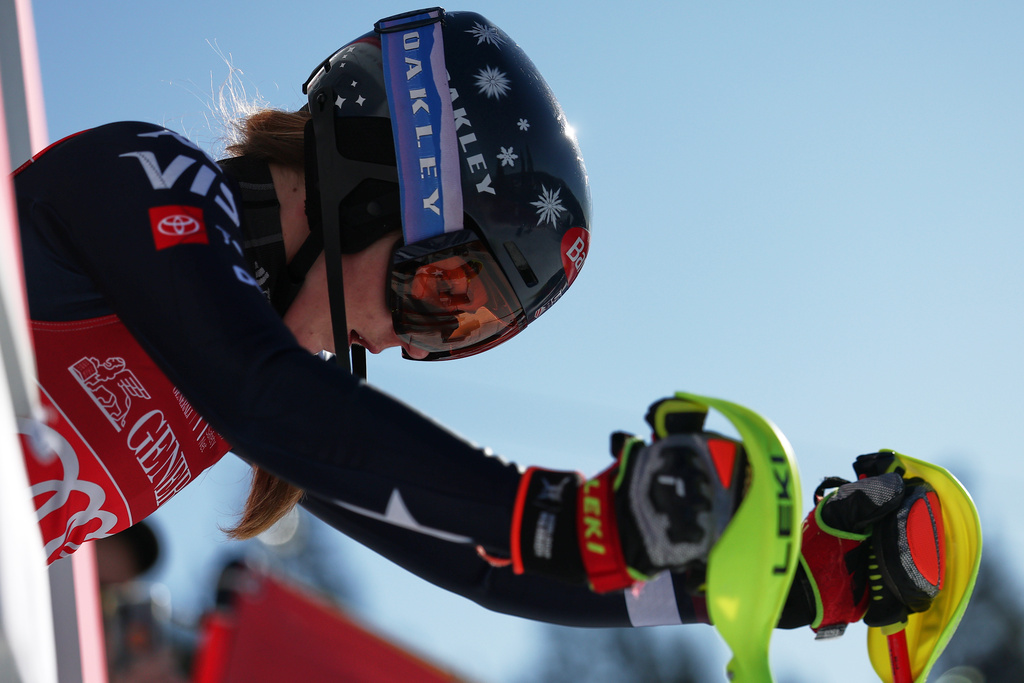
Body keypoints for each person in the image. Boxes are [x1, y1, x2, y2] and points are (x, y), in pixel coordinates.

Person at [15, 7, 935, 643]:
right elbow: (258, 388)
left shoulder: (257, 394)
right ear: (380, 184)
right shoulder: (150, 175)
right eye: (448, 291)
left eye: (461, 333)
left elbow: (486, 571)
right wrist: (569, 515)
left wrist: (754, 586)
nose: (411, 343)